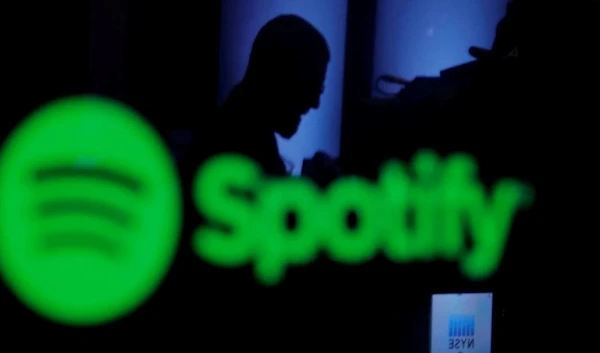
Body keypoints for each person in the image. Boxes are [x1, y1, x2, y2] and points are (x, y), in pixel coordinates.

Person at [183, 14, 338, 180]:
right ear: (279, 75)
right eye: (311, 85)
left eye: (318, 88)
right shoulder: (239, 149)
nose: (315, 103)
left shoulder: (229, 132)